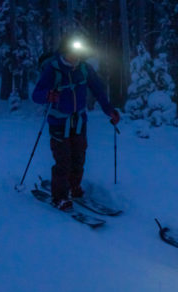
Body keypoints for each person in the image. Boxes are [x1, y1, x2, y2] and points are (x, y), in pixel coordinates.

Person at [32, 35, 120, 211]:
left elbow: (98, 90)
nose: (74, 57)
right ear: (64, 52)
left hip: (79, 121)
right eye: (71, 52)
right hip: (58, 122)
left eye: (78, 52)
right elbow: (36, 95)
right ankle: (60, 197)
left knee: (79, 157)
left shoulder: (85, 68)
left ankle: (74, 187)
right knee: (63, 159)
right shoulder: (52, 69)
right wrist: (47, 95)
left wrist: (109, 110)